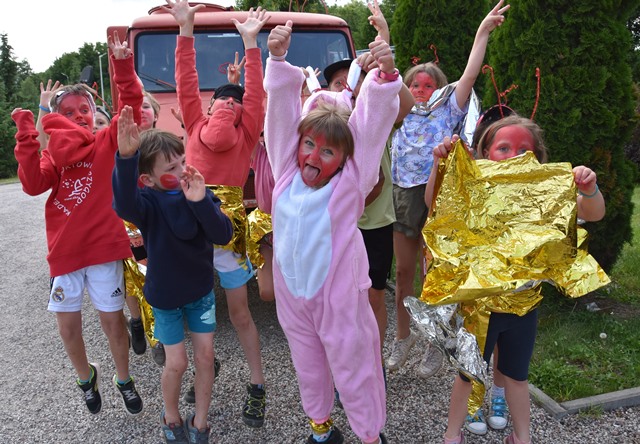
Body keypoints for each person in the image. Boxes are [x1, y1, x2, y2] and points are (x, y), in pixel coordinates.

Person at [424, 116, 605, 444]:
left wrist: (588, 189)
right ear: (486, 153)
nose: (513, 155)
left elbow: (592, 213)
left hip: (523, 308)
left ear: (537, 157)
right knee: (466, 376)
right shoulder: (475, 188)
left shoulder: (545, 194)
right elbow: (435, 202)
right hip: (479, 308)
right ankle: (452, 435)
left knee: (517, 377)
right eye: (504, 148)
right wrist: (442, 165)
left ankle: (522, 437)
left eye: (524, 149)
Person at [265, 19, 401, 444]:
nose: (314, 156)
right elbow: (280, 117)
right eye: (309, 144)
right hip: (294, 296)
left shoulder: (351, 181)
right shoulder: (286, 171)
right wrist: (278, 61)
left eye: (328, 151)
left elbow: (371, 127)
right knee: (307, 364)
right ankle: (321, 430)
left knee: (353, 366)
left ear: (344, 158)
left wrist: (384, 78)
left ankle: (370, 435)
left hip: (338, 297)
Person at [11, 32, 144, 416]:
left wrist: (122, 66)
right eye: (67, 113)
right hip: (65, 254)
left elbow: (131, 110)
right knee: (68, 327)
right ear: (56, 120)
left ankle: (124, 379)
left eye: (83, 110)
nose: (78, 117)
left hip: (103, 250)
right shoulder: (53, 158)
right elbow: (32, 184)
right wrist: (27, 132)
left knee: (113, 323)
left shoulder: (105, 143)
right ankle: (87, 378)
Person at [388, 0, 510, 379]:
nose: (421, 90)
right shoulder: (400, 112)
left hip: (438, 199)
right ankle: (403, 337)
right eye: (414, 84)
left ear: (440, 89)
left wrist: (482, 31)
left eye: (428, 85)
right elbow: (383, 85)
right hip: (403, 195)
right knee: (403, 273)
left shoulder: (448, 108)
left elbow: (470, 75)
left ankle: (435, 342)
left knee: (434, 276)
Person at [165, 0, 269, 428]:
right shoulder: (246, 129)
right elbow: (254, 94)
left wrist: (187, 31)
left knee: (206, 312)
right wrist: (251, 45)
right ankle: (251, 383)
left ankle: (247, 380)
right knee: (232, 313)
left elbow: (187, 83)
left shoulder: (197, 123)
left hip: (203, 232)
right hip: (215, 232)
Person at [113, 105, 232, 443]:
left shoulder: (197, 193)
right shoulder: (147, 202)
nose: (182, 171)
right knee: (176, 363)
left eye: (183, 161)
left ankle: (201, 422)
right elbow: (124, 204)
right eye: (171, 168)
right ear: (147, 180)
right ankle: (171, 415)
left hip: (200, 295)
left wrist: (200, 202)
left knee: (205, 357)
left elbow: (223, 234)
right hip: (165, 298)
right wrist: (126, 158)